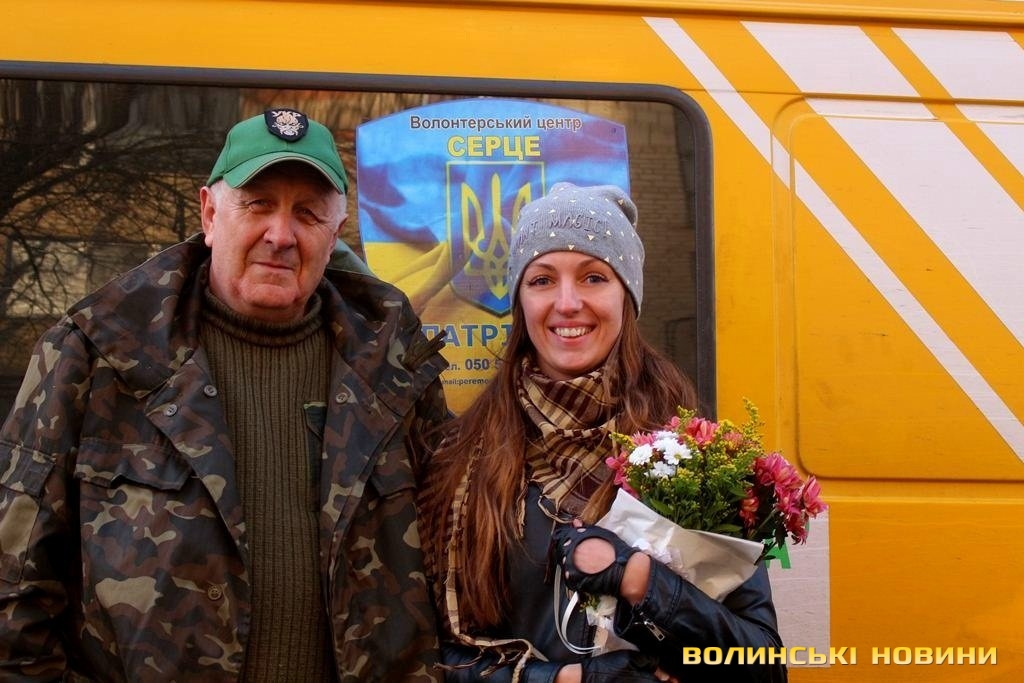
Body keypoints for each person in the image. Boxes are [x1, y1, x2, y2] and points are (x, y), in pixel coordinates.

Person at [0, 109, 450, 682]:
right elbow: (12, 595)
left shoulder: (394, 366)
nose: (281, 235)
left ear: (335, 234)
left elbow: (456, 572)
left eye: (307, 213)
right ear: (210, 215)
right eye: (258, 204)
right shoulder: (95, 355)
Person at [418, 182, 786, 682]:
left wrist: (642, 581)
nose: (568, 303)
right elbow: (429, 657)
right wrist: (569, 680)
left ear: (627, 296)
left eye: (593, 277)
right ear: (520, 300)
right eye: (542, 280)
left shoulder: (695, 458)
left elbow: (762, 665)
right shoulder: (460, 459)